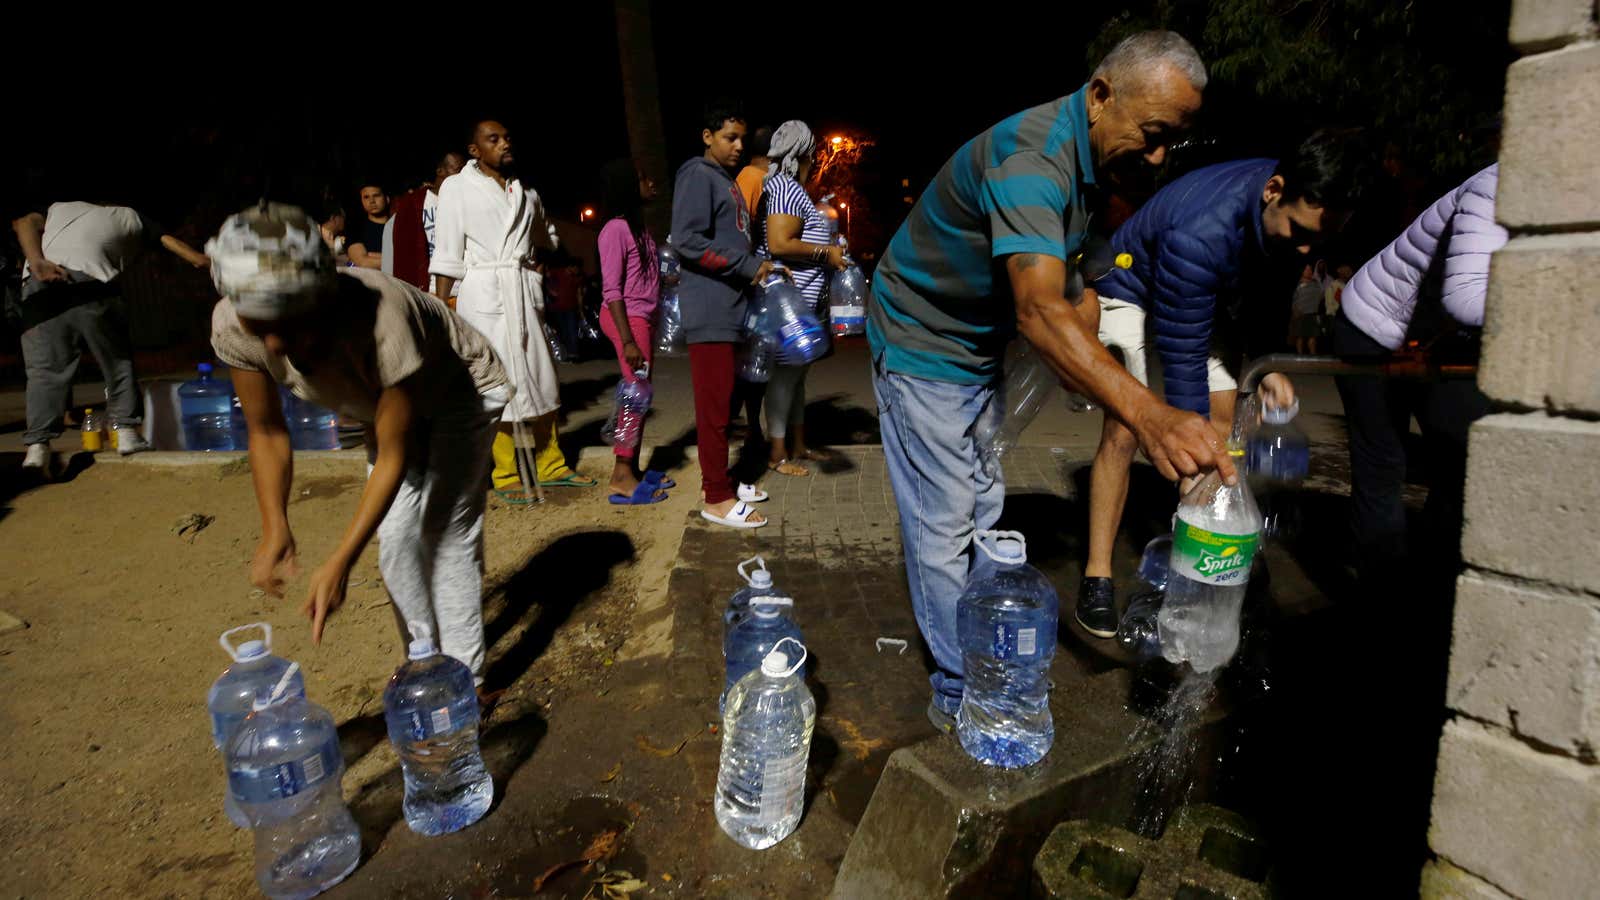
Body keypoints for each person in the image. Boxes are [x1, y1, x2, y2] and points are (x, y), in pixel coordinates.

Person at [867, 31, 1223, 728]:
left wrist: (1085, 349)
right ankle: (959, 692)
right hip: (920, 342)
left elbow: (1075, 288)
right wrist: (1149, 417)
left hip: (976, 349)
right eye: (1151, 136)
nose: (1155, 159)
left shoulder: (1092, 169)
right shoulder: (1032, 157)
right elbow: (1037, 307)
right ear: (1099, 96)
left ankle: (978, 647)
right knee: (942, 526)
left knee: (982, 503)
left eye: (1168, 145)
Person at [1079, 130, 1371, 637]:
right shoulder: (1200, 230)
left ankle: (1204, 559)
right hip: (1133, 287)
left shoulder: (1292, 218)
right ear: (1273, 190)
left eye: (1318, 241)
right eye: (1300, 233)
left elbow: (1267, 296)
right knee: (1128, 427)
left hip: (1199, 296)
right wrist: (1185, 453)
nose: (1305, 249)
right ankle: (1097, 574)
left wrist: (1267, 364)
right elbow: (1181, 347)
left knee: (1222, 424)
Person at [208, 203, 509, 692]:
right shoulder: (233, 327)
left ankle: (467, 686)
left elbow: (393, 453)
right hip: (385, 402)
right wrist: (275, 526)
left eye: (288, 320)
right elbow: (265, 431)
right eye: (258, 324)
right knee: (395, 542)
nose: (276, 342)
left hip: (461, 388)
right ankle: (425, 665)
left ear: (320, 295)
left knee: (444, 532)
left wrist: (341, 559)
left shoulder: (379, 320)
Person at [1335, 163, 1503, 584]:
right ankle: (1376, 588)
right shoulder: (1497, 184)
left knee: (1463, 461)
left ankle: (1431, 581)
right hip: (1372, 325)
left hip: (1437, 341)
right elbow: (1464, 297)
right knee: (1383, 465)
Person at [431, 119, 595, 503]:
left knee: (542, 376)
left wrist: (538, 259)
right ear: (475, 150)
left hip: (522, 293)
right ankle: (504, 472)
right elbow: (448, 252)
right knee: (494, 382)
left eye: (506, 138)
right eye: (493, 139)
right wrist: (442, 308)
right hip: (483, 295)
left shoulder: (526, 193)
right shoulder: (457, 189)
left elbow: (545, 237)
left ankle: (552, 464)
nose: (504, 144)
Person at [12, 201, 210, 470]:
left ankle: (37, 449)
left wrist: (36, 260)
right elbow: (191, 257)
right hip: (87, 281)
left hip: (38, 289)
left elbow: (24, 222)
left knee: (43, 372)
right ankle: (127, 433)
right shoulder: (135, 216)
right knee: (116, 360)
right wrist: (212, 261)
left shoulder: (58, 208)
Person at [670, 102, 780, 529]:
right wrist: (749, 266)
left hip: (731, 308)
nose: (738, 146)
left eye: (741, 138)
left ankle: (722, 480)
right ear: (707, 137)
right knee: (715, 409)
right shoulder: (697, 175)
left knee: (727, 404)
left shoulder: (725, 181)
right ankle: (716, 498)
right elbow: (687, 240)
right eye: (728, 137)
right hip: (711, 309)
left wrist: (756, 268)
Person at [755, 120, 848, 477]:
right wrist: (827, 254)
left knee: (797, 379)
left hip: (802, 303)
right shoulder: (783, 188)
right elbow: (779, 243)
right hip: (790, 304)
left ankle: (797, 444)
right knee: (784, 378)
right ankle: (777, 454)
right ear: (804, 153)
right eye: (813, 152)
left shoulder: (788, 188)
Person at [597, 158, 671, 504]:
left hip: (641, 316)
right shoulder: (615, 229)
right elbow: (611, 291)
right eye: (642, 178)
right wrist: (627, 339)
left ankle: (633, 468)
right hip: (627, 319)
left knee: (640, 397)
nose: (650, 183)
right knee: (634, 398)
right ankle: (621, 476)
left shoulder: (638, 229)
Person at [731, 125, 774, 444]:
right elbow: (740, 231)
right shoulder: (753, 179)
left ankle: (748, 424)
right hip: (751, 282)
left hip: (754, 279)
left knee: (754, 360)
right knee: (752, 360)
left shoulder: (750, 177)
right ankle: (748, 426)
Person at [390, 150, 466, 291]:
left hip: (465, 290)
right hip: (429, 291)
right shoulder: (413, 203)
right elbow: (403, 255)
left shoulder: (467, 202)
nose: (464, 175)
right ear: (440, 171)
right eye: (459, 170)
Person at [346, 182, 389, 270]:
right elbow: (363, 263)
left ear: (387, 199)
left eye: (376, 195)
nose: (372, 201)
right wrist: (394, 259)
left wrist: (373, 257)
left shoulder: (399, 226)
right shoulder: (355, 229)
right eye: (366, 197)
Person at [1290, 263, 1325, 354]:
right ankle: (1299, 357)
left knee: (1313, 337)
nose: (1309, 272)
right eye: (1307, 269)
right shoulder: (1298, 283)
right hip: (1301, 314)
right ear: (1302, 271)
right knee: (1300, 337)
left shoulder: (1315, 282)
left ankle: (1313, 357)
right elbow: (1294, 299)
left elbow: (1321, 295)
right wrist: (1295, 311)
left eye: (1310, 270)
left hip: (1313, 313)